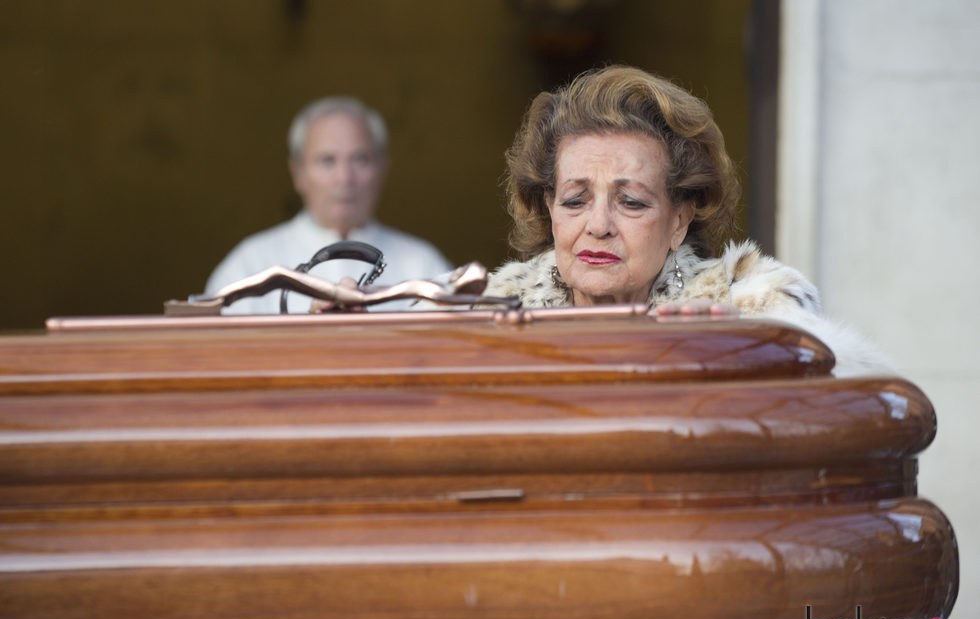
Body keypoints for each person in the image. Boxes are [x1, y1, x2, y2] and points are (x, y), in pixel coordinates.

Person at [482, 65, 890, 376]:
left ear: (679, 219)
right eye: (575, 200)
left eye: (630, 202)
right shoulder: (489, 310)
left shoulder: (749, 300)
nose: (599, 225)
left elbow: (873, 399)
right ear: (549, 207)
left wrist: (748, 350)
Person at [205, 96, 452, 313]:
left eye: (360, 159)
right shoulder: (249, 266)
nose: (344, 178)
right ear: (298, 173)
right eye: (327, 161)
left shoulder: (423, 265)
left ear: (382, 169)